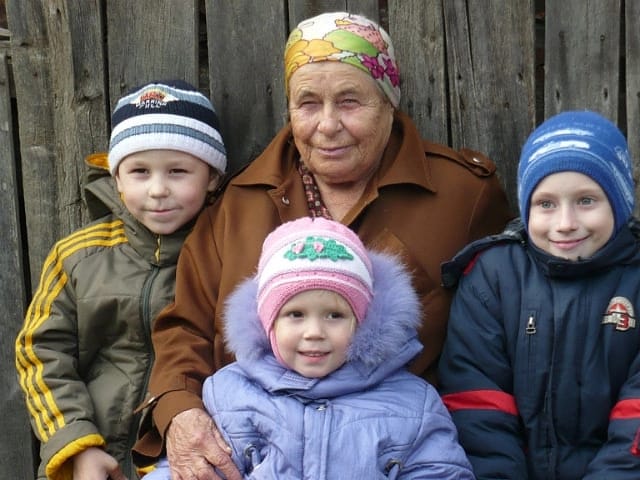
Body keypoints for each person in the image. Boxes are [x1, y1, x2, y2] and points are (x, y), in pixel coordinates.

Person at [132, 11, 513, 479]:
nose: (328, 124)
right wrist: (181, 413)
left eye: (350, 101)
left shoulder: (462, 196)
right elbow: (184, 326)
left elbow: (503, 328)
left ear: (388, 102)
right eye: (308, 103)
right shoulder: (239, 202)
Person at [144, 216, 475, 479]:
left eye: (334, 315)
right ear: (268, 322)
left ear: (363, 322)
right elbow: (193, 470)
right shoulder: (231, 395)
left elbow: (440, 471)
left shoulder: (412, 404)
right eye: (295, 315)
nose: (314, 332)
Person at [15, 80, 227, 480]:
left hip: (183, 462)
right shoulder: (78, 256)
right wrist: (76, 443)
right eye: (140, 172)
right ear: (116, 178)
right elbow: (40, 353)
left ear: (212, 176)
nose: (158, 190)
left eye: (178, 171)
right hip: (89, 460)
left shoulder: (224, 254)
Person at [438, 110, 640, 479]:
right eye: (546, 204)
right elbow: (477, 403)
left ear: (620, 201)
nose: (565, 223)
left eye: (586, 200)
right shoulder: (493, 277)